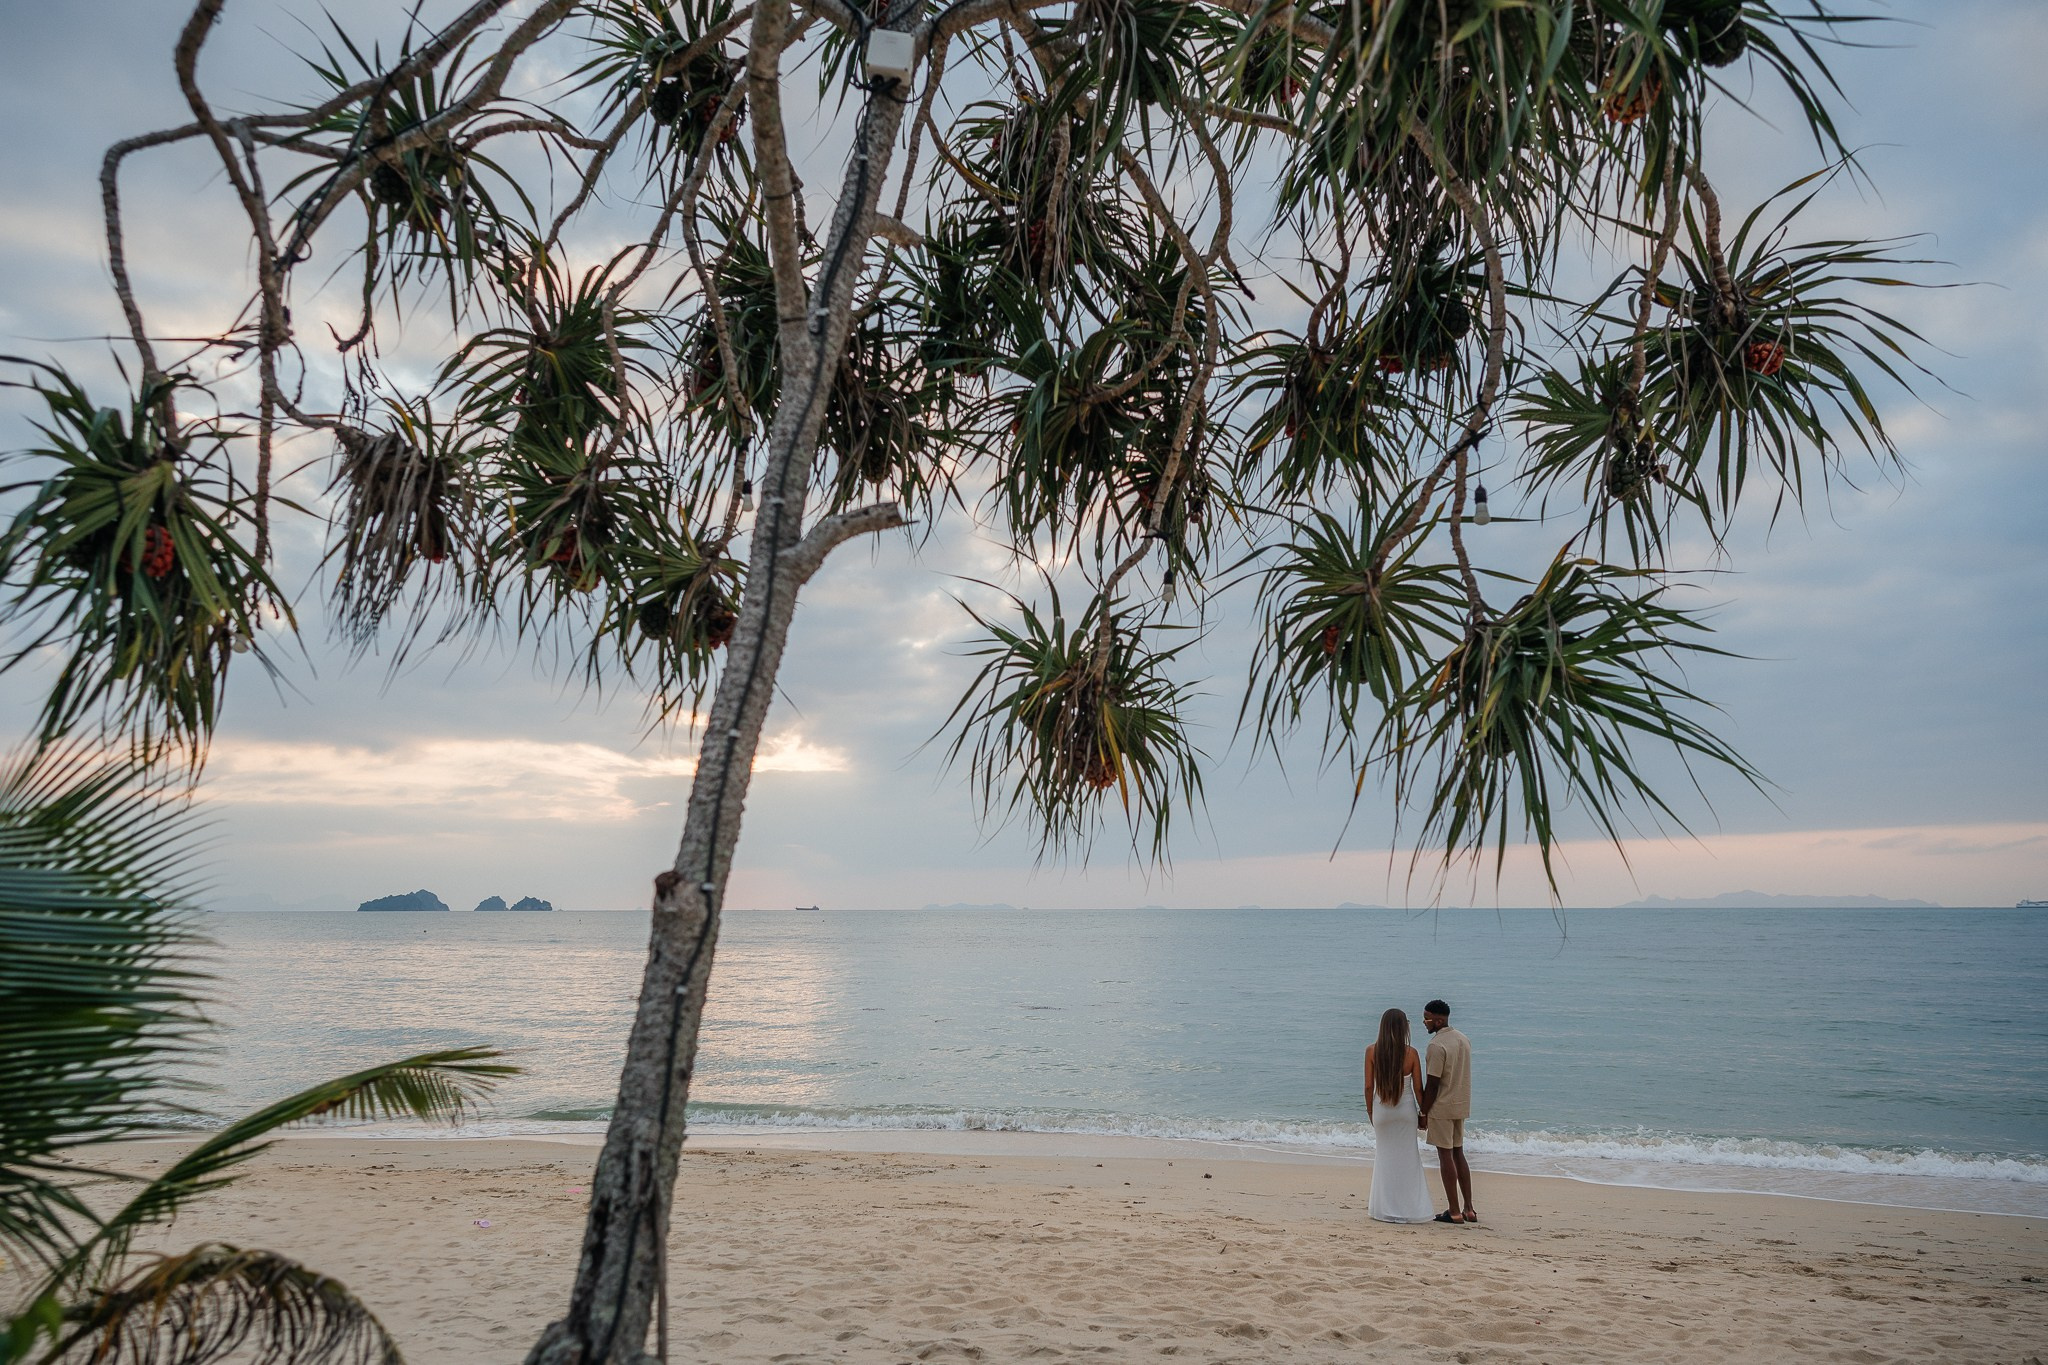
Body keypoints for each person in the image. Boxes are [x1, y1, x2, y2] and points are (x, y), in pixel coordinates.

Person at [1363, 1007, 1434, 1223]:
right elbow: (1419, 1090)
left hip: (1382, 1111)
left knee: (1384, 1159)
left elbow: (1368, 1087)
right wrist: (1424, 1114)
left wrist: (1370, 1111)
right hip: (1405, 1112)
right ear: (1404, 1027)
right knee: (1408, 1160)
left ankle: (1385, 1209)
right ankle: (1409, 1209)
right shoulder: (1411, 1053)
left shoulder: (1372, 1051)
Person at [1419, 998, 1475, 1224]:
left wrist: (1423, 1112)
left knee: (1445, 1155)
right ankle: (1469, 1208)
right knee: (1458, 1152)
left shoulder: (1436, 1045)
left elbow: (1432, 1084)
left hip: (1442, 1105)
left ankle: (1453, 1210)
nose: (1424, 1023)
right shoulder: (1463, 1039)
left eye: (1426, 1018)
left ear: (1438, 1020)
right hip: (1461, 1104)